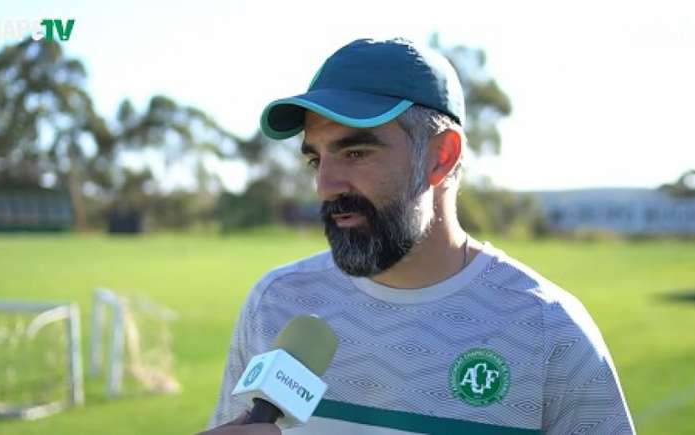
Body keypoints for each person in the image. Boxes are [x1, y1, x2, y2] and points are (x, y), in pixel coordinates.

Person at [204, 38, 635, 435]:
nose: (325, 185)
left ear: (441, 157)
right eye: (317, 159)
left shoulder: (546, 329)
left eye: (356, 153)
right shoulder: (276, 302)